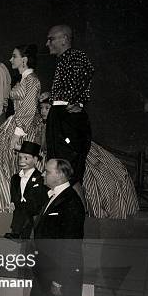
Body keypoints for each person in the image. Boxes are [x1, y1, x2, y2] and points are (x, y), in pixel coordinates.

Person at [28, 93, 139, 219]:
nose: (43, 111)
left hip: (71, 152)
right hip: (56, 155)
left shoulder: (65, 121)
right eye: (41, 108)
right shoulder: (45, 125)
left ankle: (83, 211)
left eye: (47, 108)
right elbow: (44, 146)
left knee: (78, 178)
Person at [25, 158, 85, 296]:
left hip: (57, 278)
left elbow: (71, 245)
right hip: (44, 273)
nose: (43, 174)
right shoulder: (52, 196)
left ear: (60, 175)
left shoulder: (71, 202)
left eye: (48, 171)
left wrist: (59, 281)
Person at [0, 44, 41, 212]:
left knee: (15, 165)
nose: (10, 59)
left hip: (25, 127)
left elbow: (29, 108)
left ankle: (15, 206)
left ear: (24, 59)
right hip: (14, 123)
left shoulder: (32, 80)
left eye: (14, 56)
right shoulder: (23, 79)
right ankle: (4, 205)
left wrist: (18, 131)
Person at [45, 24, 94, 201]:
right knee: (59, 166)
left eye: (51, 39)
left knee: (69, 171)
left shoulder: (75, 56)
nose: (47, 43)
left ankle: (76, 216)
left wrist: (75, 100)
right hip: (59, 116)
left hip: (67, 119)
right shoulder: (64, 60)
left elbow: (87, 71)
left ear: (64, 39)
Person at [4, 141, 48, 240]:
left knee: (26, 213)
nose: (21, 161)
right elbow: (14, 194)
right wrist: (12, 203)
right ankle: (17, 232)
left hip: (35, 209)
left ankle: (18, 233)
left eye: (26, 158)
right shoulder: (15, 178)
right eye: (20, 158)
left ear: (35, 160)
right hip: (20, 211)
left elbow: (42, 197)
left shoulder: (40, 178)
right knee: (21, 210)